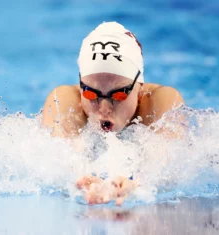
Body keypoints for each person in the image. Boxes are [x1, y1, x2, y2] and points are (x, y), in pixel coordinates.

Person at [42, 22, 184, 205]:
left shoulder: (161, 100)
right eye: (91, 93)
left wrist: (138, 184)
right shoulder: (63, 99)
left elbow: (169, 162)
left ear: (139, 87)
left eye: (119, 95)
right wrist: (81, 177)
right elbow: (59, 154)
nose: (104, 108)